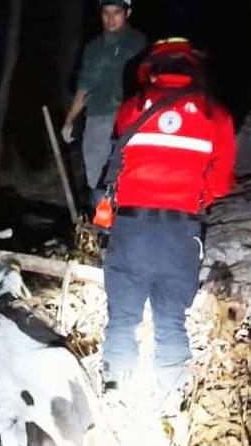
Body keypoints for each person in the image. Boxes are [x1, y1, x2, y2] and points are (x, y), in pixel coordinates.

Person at [101, 38, 236, 413]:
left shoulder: (132, 108)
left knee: (122, 317)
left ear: (153, 69)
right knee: (171, 318)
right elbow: (221, 182)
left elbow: (120, 159)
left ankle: (113, 390)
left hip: (131, 228)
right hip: (180, 232)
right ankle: (172, 399)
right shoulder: (216, 115)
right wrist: (192, 198)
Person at [61, 0, 145, 207]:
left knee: (130, 172)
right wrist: (70, 120)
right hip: (98, 116)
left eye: (116, 12)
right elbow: (84, 86)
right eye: (106, 13)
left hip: (131, 120)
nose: (110, 18)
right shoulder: (93, 48)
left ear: (128, 13)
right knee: (96, 173)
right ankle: (100, 219)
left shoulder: (139, 43)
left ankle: (127, 219)